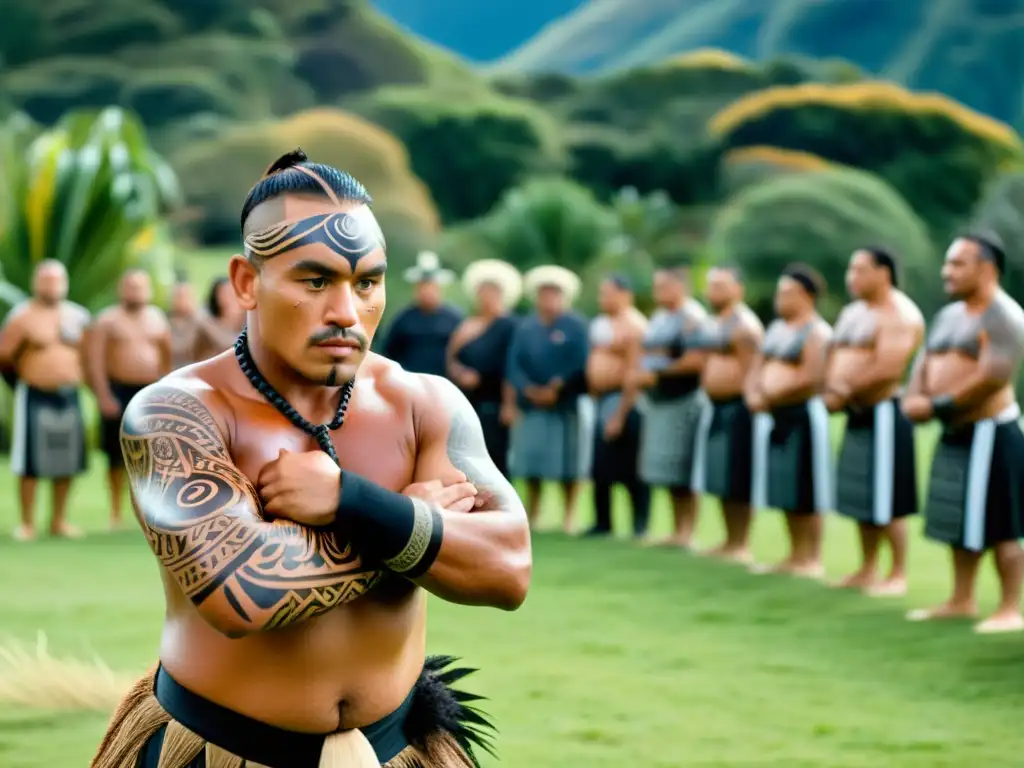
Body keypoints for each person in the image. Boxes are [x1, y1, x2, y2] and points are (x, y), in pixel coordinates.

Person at [91, 150, 530, 768]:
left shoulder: (424, 402)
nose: (347, 313)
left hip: (399, 747)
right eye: (315, 280)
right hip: (220, 747)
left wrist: (351, 501)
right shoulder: (176, 412)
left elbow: (508, 567)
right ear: (247, 281)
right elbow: (240, 591)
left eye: (367, 283)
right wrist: (411, 523)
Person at [902, 232, 1024, 633]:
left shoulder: (1004, 316)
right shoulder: (949, 315)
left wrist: (934, 405)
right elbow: (925, 359)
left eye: (958, 264)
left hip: (992, 432)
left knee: (1002, 524)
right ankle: (961, 598)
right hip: (955, 431)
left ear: (986, 268)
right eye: (948, 263)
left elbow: (992, 377)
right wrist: (914, 396)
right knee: (959, 520)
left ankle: (1010, 608)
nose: (946, 271)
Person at [824, 248, 924, 596]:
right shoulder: (853, 312)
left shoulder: (899, 314)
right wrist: (832, 390)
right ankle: (867, 567)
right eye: (850, 270)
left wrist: (844, 391)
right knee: (861, 495)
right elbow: (835, 353)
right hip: (854, 412)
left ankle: (897, 573)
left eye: (860, 270)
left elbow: (888, 368)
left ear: (884, 273)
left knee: (887, 497)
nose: (852, 277)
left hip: (883, 411)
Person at [746, 264, 833, 577]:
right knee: (785, 485)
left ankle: (813, 557)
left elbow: (813, 377)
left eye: (787, 293)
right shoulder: (775, 330)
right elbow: (757, 367)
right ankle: (794, 553)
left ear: (807, 296)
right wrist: (754, 393)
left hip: (803, 415)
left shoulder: (817, 333)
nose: (779, 299)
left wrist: (774, 396)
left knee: (808, 487)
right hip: (776, 417)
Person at [0, 260, 89, 541]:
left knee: (68, 457)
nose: (52, 286)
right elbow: (4, 355)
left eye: (56, 280)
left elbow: (90, 354)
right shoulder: (22, 315)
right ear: (36, 283)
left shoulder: (78, 316)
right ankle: (27, 523)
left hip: (69, 393)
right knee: (30, 460)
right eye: (46, 280)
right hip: (34, 393)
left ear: (65, 283)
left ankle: (59, 520)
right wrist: (19, 381)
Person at [627, 264, 707, 548]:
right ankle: (675, 529)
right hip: (658, 402)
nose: (657, 292)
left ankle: (687, 531)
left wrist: (659, 373)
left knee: (684, 467)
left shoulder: (692, 317)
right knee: (668, 469)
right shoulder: (660, 317)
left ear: (680, 286)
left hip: (682, 400)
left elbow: (697, 360)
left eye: (663, 286)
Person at [85, 269, 172, 529]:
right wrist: (103, 395)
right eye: (130, 286)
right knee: (116, 455)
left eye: (139, 287)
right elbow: (95, 362)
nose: (135, 292)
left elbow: (167, 358)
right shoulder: (107, 321)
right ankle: (115, 511)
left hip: (149, 391)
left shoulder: (157, 319)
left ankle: (148, 512)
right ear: (121, 289)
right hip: (117, 391)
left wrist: (166, 393)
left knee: (151, 455)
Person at [506, 265, 588, 531]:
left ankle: (569, 516)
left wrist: (558, 386)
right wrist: (527, 388)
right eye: (544, 294)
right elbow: (513, 364)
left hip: (564, 405)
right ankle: (533, 513)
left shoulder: (576, 325)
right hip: (531, 405)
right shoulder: (526, 326)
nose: (549, 299)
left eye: (554, 293)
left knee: (569, 463)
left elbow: (581, 360)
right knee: (531, 461)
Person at [690, 265, 764, 562]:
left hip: (739, 407)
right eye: (711, 285)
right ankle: (728, 538)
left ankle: (742, 542)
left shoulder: (744, 326)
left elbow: (753, 370)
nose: (713, 292)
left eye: (721, 286)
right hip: (715, 406)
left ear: (738, 289)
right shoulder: (711, 323)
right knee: (720, 473)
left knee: (738, 475)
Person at [585, 274, 650, 538]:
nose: (604, 299)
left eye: (609, 293)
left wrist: (620, 414)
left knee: (631, 466)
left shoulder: (634, 326)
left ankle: (639, 524)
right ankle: (603, 522)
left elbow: (635, 372)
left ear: (625, 295)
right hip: (602, 400)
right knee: (600, 466)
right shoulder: (602, 324)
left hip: (624, 402)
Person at [446, 259, 521, 477]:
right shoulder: (468, 325)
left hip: (495, 401)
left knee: (496, 457)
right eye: (483, 290)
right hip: (469, 399)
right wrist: (460, 372)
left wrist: (510, 403)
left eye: (492, 291)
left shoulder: (509, 325)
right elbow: (451, 357)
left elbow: (512, 365)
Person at [380, 251, 463, 377]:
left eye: (431, 285)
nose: (427, 291)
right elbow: (388, 353)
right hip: (410, 383)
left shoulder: (454, 319)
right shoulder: (403, 318)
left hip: (445, 385)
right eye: (423, 286)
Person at [193, 276, 246, 362]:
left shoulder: (248, 322)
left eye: (233, 293)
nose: (230, 298)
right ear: (216, 298)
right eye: (225, 294)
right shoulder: (207, 326)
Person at [169, 274, 200, 370]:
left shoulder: (201, 323)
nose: (182, 300)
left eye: (186, 296)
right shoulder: (164, 323)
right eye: (178, 296)